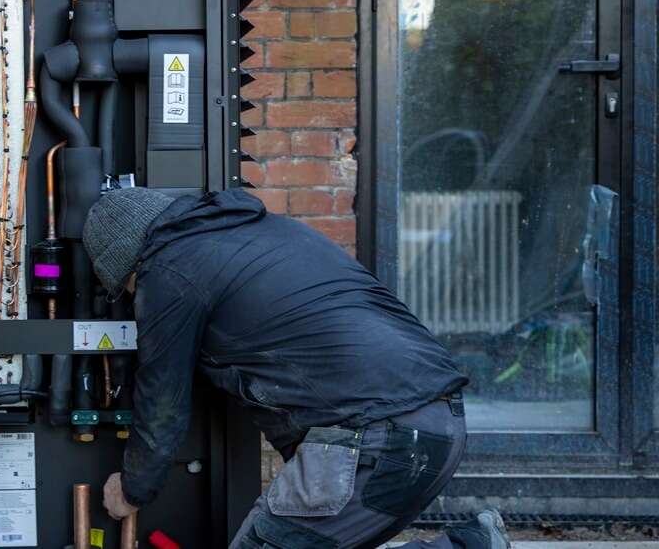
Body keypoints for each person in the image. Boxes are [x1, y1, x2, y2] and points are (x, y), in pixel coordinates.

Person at [81, 187, 511, 549]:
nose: (136, 297)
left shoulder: (168, 270)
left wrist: (133, 489)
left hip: (378, 439)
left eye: (130, 288)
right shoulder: (262, 230)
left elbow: (162, 401)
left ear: (130, 261)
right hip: (437, 424)